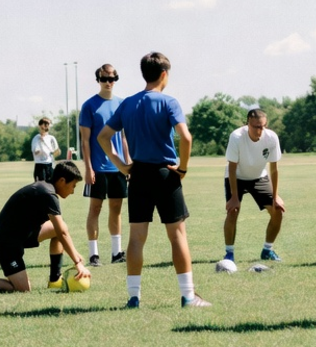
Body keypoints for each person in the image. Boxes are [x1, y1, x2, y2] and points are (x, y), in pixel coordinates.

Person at [97, 52, 211, 308]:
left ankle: (133, 298)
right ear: (163, 74)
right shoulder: (169, 102)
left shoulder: (126, 104)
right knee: (177, 236)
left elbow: (103, 137)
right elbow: (186, 138)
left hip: (137, 176)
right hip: (165, 174)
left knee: (136, 239)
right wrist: (182, 168)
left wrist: (123, 166)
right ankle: (188, 297)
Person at [0, 161, 90, 293]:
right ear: (62, 181)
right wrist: (77, 262)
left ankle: (54, 279)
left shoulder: (47, 189)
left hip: (22, 235)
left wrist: (76, 255)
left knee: (59, 227)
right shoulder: (48, 194)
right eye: (73, 186)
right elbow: (62, 232)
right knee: (22, 289)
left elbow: (60, 229)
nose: (72, 191)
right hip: (4, 242)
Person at [79, 64, 130, 267]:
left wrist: (127, 164)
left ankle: (117, 252)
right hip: (98, 167)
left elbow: (124, 137)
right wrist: (88, 167)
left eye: (112, 78)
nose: (109, 82)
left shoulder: (122, 104)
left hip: (118, 167)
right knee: (95, 208)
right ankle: (94, 255)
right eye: (104, 79)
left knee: (116, 208)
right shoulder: (89, 106)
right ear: (98, 80)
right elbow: (85, 140)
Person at [222, 108, 285, 267]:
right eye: (256, 126)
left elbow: (274, 169)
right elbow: (232, 167)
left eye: (263, 126)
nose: (260, 130)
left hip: (259, 177)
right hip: (236, 176)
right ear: (247, 124)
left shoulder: (271, 138)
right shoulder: (237, 137)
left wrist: (275, 196)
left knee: (277, 210)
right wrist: (234, 197)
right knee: (233, 211)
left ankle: (267, 250)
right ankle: (229, 253)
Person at [31, 117, 61, 182]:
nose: (46, 126)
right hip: (40, 165)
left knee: (51, 185)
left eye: (48, 124)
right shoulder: (36, 138)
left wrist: (53, 153)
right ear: (40, 126)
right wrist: (41, 144)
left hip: (49, 165)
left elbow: (57, 152)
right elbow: (35, 152)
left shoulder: (51, 138)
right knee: (41, 187)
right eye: (45, 124)